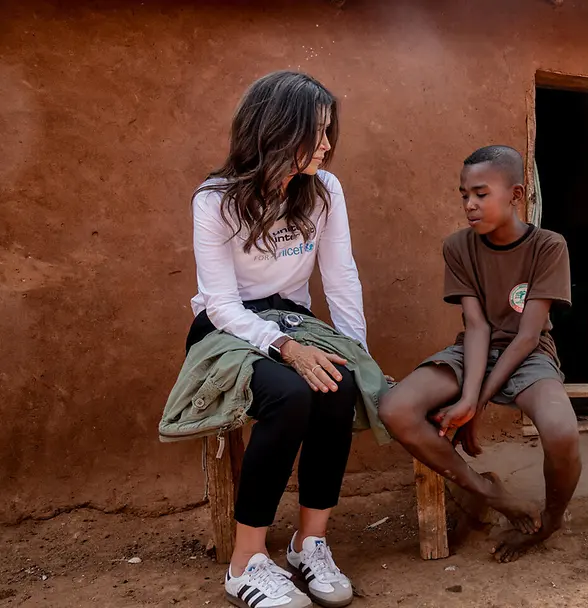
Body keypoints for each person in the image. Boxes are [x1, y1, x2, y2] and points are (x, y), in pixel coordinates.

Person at [185, 71, 368, 608]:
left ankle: (310, 543)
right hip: (227, 328)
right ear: (276, 130)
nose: (328, 145)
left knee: (339, 386)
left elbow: (341, 278)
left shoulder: (325, 191)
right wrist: (285, 349)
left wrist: (354, 351)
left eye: (330, 130)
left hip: (292, 318)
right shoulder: (215, 200)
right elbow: (219, 304)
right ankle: (246, 562)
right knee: (289, 398)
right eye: (316, 132)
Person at [378, 145, 581, 563]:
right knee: (396, 408)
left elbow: (526, 336)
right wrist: (467, 397)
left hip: (529, 355)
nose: (469, 204)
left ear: (516, 195)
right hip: (472, 351)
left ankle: (551, 520)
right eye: (463, 195)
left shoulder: (548, 246)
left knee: (562, 432)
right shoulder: (458, 247)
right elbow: (477, 327)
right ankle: (490, 493)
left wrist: (478, 403)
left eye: (481, 194)